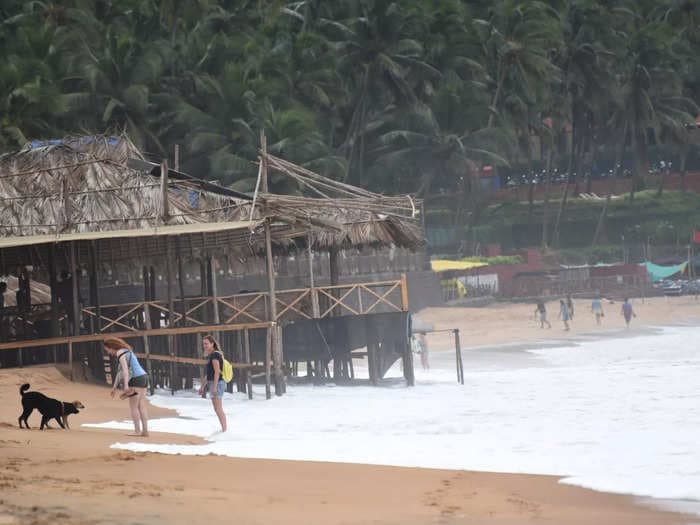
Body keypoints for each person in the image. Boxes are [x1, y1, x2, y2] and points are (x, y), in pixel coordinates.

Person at [103, 337, 149, 437]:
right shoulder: (128, 351)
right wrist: (114, 388)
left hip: (135, 379)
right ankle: (145, 431)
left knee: (134, 407)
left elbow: (125, 371)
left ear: (111, 347)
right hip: (144, 377)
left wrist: (126, 385)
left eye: (107, 350)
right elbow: (120, 373)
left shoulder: (120, 353)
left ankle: (137, 431)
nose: (108, 352)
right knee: (142, 405)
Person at [198, 335, 227, 432]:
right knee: (217, 408)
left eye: (206, 343)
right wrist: (202, 386)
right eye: (203, 344)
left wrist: (214, 387)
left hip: (217, 383)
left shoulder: (215, 355)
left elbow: (217, 372)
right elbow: (209, 374)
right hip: (214, 383)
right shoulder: (212, 356)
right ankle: (224, 430)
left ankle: (224, 430)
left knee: (218, 409)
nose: (204, 346)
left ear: (212, 344)